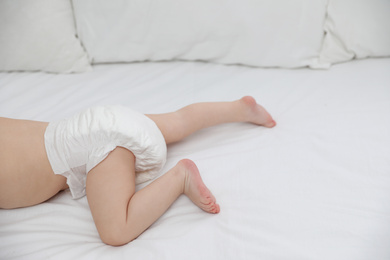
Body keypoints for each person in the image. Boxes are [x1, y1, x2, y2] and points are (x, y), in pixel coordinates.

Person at [0, 96, 276, 246]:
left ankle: (181, 177)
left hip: (98, 147)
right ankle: (239, 109)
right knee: (179, 121)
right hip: (94, 122)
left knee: (115, 232)